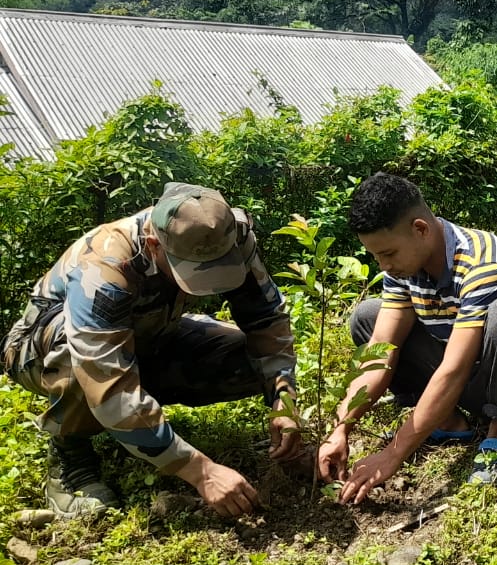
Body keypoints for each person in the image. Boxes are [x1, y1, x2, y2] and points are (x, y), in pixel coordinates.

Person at [2, 182, 300, 520]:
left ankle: (139, 416)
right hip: (45, 353)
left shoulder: (230, 232)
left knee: (241, 356)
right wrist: (200, 470)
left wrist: (283, 399)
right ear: (155, 244)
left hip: (150, 335)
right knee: (77, 358)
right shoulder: (105, 265)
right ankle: (70, 461)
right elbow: (105, 377)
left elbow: (266, 319)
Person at [318, 172, 497, 502]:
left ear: (420, 229)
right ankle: (449, 422)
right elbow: (379, 352)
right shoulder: (405, 268)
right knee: (368, 317)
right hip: (477, 379)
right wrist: (341, 426)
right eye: (376, 257)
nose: (384, 266)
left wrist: (391, 455)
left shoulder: (483, 261)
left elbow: (454, 369)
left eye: (388, 254)